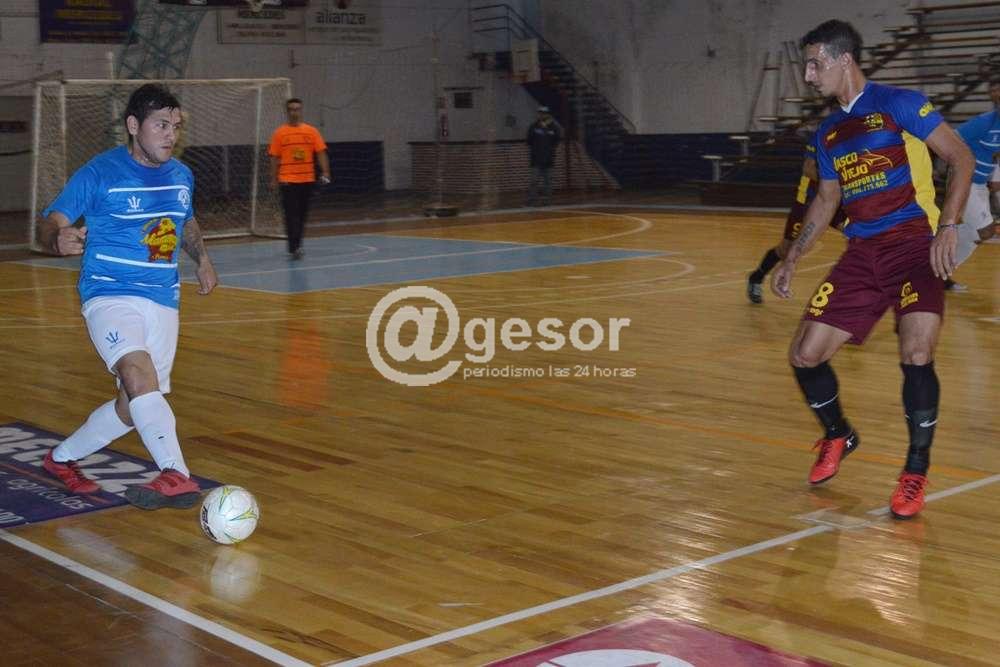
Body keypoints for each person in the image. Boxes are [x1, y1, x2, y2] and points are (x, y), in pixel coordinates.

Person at [771, 20, 974, 519]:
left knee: (917, 351)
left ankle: (915, 471)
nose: (809, 75)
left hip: (914, 244)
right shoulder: (827, 132)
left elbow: (961, 157)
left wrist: (949, 226)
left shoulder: (900, 104)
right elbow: (827, 199)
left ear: (844, 60)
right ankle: (838, 434)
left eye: (815, 64)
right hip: (862, 252)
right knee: (804, 355)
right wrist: (792, 257)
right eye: (807, 66)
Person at [36, 83, 219, 510]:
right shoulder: (99, 173)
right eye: (161, 125)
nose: (171, 135)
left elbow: (186, 220)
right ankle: (176, 473)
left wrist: (203, 259)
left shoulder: (181, 174)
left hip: (164, 298)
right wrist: (56, 239)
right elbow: (50, 221)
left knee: (131, 403)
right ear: (134, 126)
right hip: (109, 292)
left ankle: (60, 459)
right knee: (137, 374)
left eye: (176, 126)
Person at [747, 129, 848, 304]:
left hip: (838, 199)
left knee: (860, 236)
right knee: (786, 249)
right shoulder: (824, 132)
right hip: (809, 200)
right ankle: (757, 277)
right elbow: (808, 169)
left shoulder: (857, 134)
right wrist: (841, 180)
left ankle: (855, 291)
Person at [268, 98, 331, 259]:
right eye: (291, 109)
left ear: (301, 111)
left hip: (307, 179)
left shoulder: (311, 131)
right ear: (287, 112)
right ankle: (294, 247)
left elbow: (320, 152)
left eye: (297, 109)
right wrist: (273, 179)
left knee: (302, 215)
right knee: (291, 214)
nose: (294, 112)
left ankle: (298, 244)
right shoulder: (280, 133)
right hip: (287, 180)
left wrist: (326, 172)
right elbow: (274, 158)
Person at [951, 79, 1000, 267]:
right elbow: (950, 140)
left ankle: (942, 270)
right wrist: (958, 168)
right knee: (985, 231)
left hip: (980, 184)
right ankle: (936, 243)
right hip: (965, 181)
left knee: (978, 236)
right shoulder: (984, 122)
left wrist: (995, 176)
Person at [526, 105, 562, 206]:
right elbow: (529, 141)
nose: (542, 115)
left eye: (544, 113)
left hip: (549, 160)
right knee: (534, 181)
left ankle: (547, 201)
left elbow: (556, 141)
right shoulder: (533, 126)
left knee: (548, 182)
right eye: (540, 113)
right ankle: (532, 201)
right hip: (536, 159)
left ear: (548, 114)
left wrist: (550, 151)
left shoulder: (554, 127)